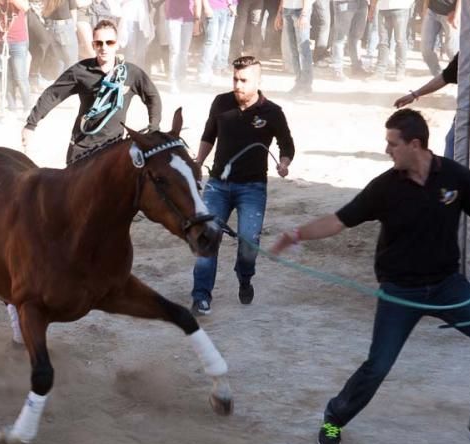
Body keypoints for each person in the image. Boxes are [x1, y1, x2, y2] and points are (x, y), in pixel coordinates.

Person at [270, 108, 470, 444]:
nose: (387, 151)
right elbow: (339, 221)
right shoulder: (385, 188)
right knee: (379, 365)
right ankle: (334, 416)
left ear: (415, 145)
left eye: (392, 144)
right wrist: (296, 234)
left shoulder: (454, 178)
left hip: (448, 286)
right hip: (401, 291)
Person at [190, 55, 294, 316]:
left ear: (257, 81)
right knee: (207, 238)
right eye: (235, 79)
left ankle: (245, 276)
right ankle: (201, 296)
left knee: (248, 244)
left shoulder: (272, 112)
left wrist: (284, 163)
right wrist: (198, 162)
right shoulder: (221, 103)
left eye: (244, 80)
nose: (238, 85)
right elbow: (208, 134)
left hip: (252, 188)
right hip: (218, 185)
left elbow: (286, 143)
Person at [21, 18, 161, 163]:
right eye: (99, 43)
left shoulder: (131, 73)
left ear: (117, 44)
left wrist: (154, 127)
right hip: (83, 147)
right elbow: (52, 95)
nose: (104, 47)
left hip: (114, 147)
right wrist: (31, 125)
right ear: (93, 45)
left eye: (109, 42)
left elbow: (152, 96)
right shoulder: (80, 71)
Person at [393, 51, 456, 158]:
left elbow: (444, 78)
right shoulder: (469, 49)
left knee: (453, 142)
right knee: (452, 141)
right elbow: (445, 77)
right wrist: (414, 94)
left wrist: (415, 94)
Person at [275, 0, 312, 94]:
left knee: (303, 49)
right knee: (293, 49)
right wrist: (279, 13)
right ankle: (299, 82)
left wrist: (304, 14)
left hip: (300, 10)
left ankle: (306, 85)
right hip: (287, 10)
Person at [419, 0, 457, 77]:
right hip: (432, 11)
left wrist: (457, 13)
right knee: (425, 49)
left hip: (451, 12)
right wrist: (425, 8)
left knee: (451, 49)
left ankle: (458, 74)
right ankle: (438, 75)